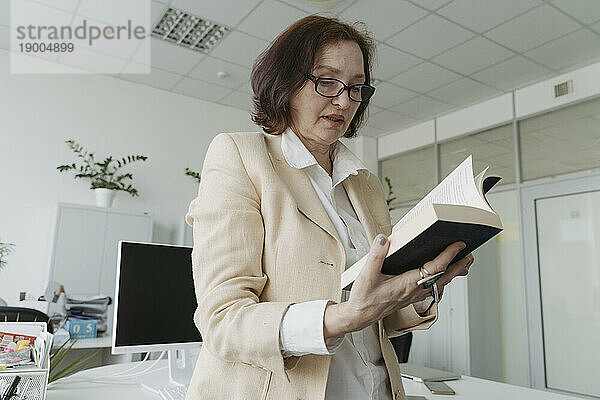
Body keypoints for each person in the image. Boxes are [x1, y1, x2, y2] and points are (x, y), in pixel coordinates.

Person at [184, 15, 474, 400]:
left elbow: (380, 318)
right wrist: (341, 317)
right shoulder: (240, 156)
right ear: (285, 83)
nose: (344, 100)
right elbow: (222, 320)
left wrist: (422, 286)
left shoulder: (364, 185)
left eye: (356, 88)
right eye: (326, 81)